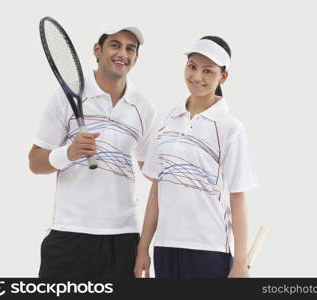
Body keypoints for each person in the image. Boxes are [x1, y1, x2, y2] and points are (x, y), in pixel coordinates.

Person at [29, 23, 155, 278]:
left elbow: (152, 172)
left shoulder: (144, 108)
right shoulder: (64, 98)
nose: (123, 53)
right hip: (70, 234)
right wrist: (69, 153)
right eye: (115, 45)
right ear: (97, 50)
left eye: (130, 48)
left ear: (136, 58)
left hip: (123, 238)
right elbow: (35, 162)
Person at [134, 36, 258, 278]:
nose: (197, 77)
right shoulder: (165, 119)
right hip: (166, 247)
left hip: (209, 250)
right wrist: (143, 247)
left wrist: (240, 262)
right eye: (192, 66)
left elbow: (238, 197)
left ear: (223, 77)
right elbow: (157, 188)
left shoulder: (231, 128)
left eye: (208, 71)